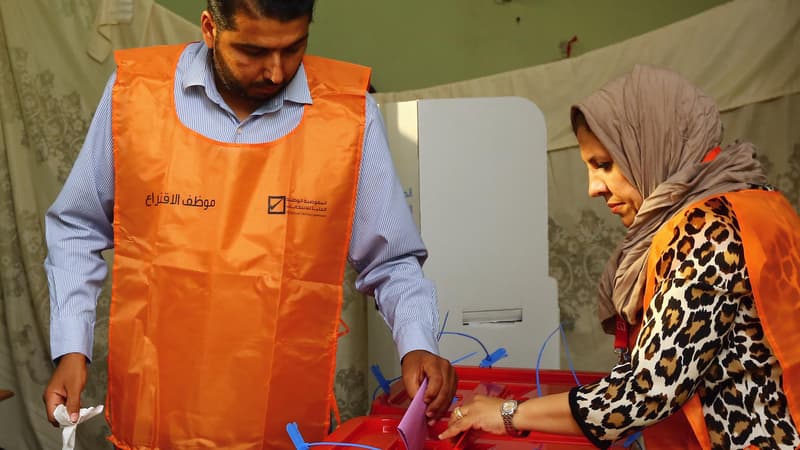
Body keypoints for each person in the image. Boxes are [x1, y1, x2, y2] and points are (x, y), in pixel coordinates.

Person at [41, 1, 457, 448]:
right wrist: (71, 348)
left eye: (294, 48)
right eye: (253, 52)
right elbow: (77, 227)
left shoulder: (347, 115)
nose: (277, 73)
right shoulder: (135, 95)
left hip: (283, 422)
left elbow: (392, 259)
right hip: (156, 415)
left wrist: (417, 343)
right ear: (209, 29)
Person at [439, 65, 800, 449]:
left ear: (652, 145)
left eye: (604, 165)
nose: (594, 187)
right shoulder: (755, 202)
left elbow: (646, 392)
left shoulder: (706, 230)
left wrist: (506, 414)